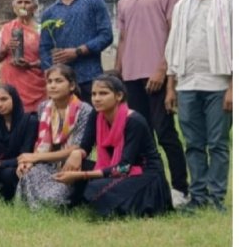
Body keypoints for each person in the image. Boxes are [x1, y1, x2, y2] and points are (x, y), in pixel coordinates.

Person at [115, 0, 188, 204]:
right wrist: (118, 74)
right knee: (138, 134)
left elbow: (175, 32)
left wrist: (162, 69)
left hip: (157, 74)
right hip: (131, 77)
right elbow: (122, 39)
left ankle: (180, 189)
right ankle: (147, 185)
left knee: (165, 132)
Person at [164, 0, 233, 213]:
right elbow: (172, 46)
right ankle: (198, 196)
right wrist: (171, 87)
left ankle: (216, 198)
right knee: (193, 143)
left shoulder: (229, 0)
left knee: (217, 143)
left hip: (219, 83)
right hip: (187, 83)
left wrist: (232, 87)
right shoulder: (182, 4)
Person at [55, 74, 173, 218]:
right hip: (114, 167)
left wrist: (81, 175)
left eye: (103, 93)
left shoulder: (134, 121)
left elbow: (124, 167)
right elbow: (85, 147)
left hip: (144, 173)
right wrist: (76, 154)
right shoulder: (96, 114)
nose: (97, 98)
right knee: (78, 164)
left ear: (119, 96)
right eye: (94, 94)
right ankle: (74, 202)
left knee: (94, 187)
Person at [16, 64, 94, 210]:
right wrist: (30, 160)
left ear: (71, 86)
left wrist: (36, 158)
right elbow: (41, 142)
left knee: (53, 197)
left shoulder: (84, 110)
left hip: (72, 163)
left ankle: (53, 204)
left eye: (58, 81)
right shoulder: (44, 107)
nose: (52, 86)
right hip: (47, 162)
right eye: (49, 82)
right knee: (29, 172)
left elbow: (77, 147)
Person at [39, 0, 113, 103]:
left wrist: (78, 51)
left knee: (91, 122)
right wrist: (50, 73)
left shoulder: (94, 2)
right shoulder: (49, 13)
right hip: (62, 84)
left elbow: (106, 35)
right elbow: (44, 47)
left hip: (90, 77)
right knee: (64, 123)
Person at [0, 0, 46, 113]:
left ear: (35, 7)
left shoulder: (41, 29)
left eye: (27, 2)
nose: (23, 6)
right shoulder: (7, 28)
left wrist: (31, 65)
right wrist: (6, 48)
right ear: (14, 7)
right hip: (11, 82)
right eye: (19, 2)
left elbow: (49, 59)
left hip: (35, 84)